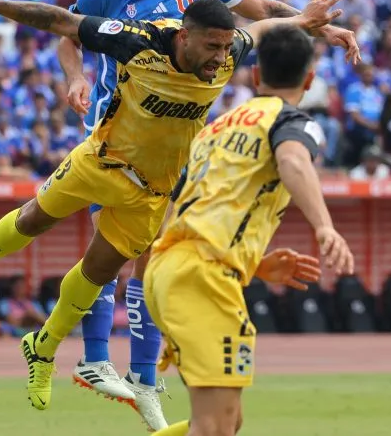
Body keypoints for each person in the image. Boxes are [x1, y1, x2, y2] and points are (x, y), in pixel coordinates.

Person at [0, 0, 345, 417]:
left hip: (153, 192)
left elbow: (266, 26)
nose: (220, 58)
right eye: (211, 47)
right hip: (102, 161)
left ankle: (43, 346)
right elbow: (60, 20)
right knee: (32, 221)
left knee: (98, 270)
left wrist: (308, 21)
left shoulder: (231, 49)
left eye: (224, 47)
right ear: (184, 37)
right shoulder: (139, 41)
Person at [57, 0, 358, 429]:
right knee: (116, 244)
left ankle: (145, 378)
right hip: (114, 129)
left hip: (182, 134)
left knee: (153, 251)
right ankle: (95, 358)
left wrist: (318, 26)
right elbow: (68, 33)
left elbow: (262, 10)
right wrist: (76, 78)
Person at [144, 24, 355, 436]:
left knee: (226, 420)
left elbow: (186, 208)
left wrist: (253, 264)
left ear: (256, 77)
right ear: (308, 81)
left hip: (170, 268)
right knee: (216, 426)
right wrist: (325, 227)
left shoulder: (216, 128)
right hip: (203, 279)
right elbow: (294, 162)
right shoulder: (294, 120)